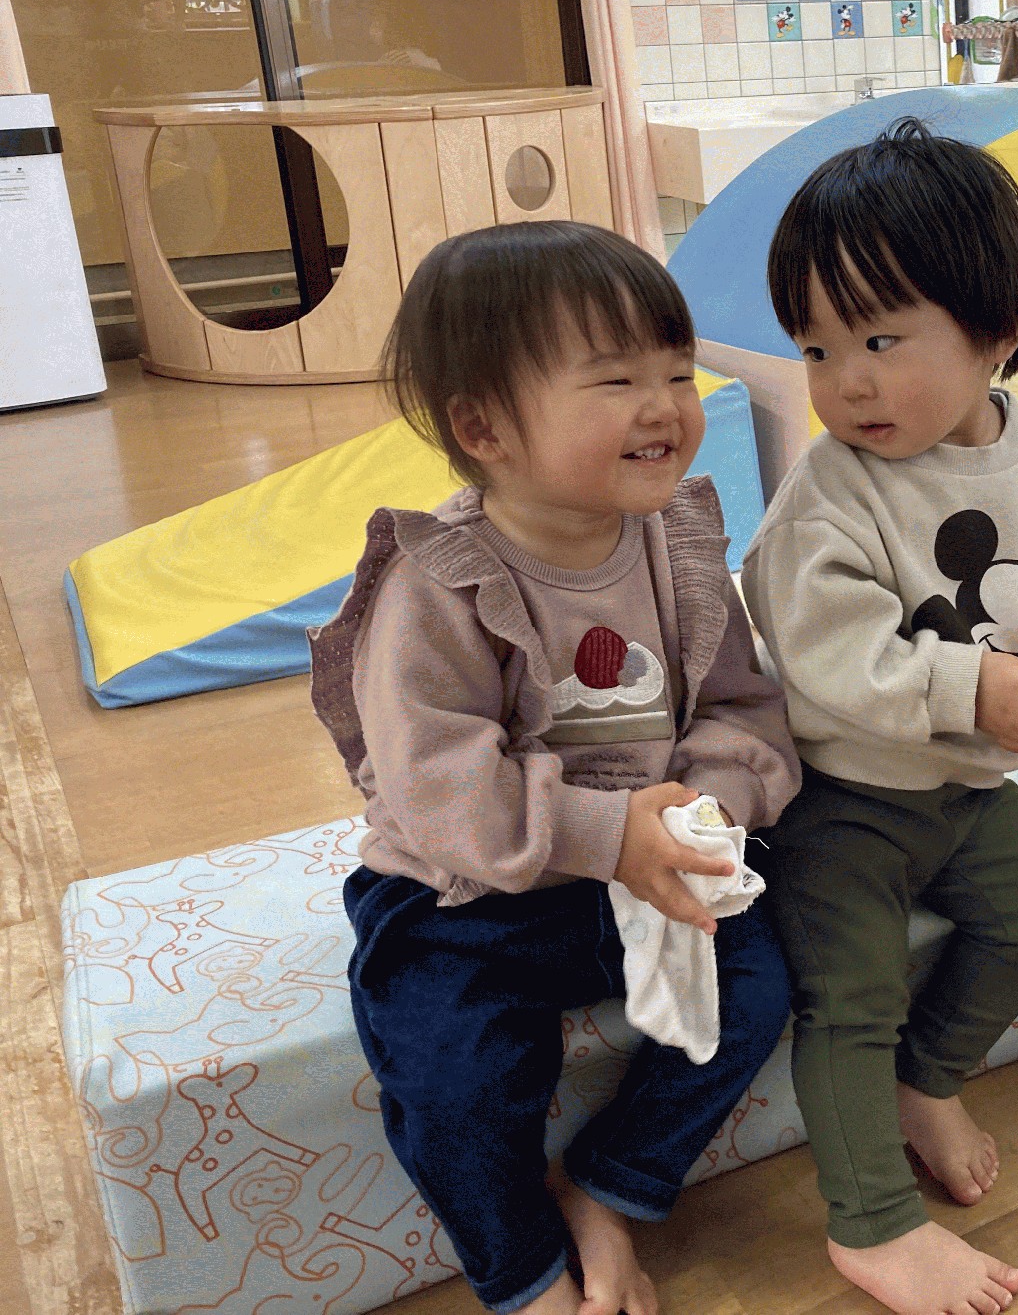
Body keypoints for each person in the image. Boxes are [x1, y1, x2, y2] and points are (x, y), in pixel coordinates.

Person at [309, 220, 799, 1315]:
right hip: (467, 893)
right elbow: (437, 787)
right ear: (483, 426)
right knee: (453, 1075)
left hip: (645, 870)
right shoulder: (438, 583)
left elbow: (739, 705)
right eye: (617, 379)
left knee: (758, 987)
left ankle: (610, 1187)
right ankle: (523, 1269)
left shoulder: (677, 545)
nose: (665, 406)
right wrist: (604, 834)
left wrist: (709, 805)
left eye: (677, 372)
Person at [739, 120, 1018, 1315]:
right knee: (848, 997)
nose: (845, 381)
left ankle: (930, 1079)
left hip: (963, 790)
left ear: (997, 331)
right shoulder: (825, 493)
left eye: (877, 338)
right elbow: (826, 653)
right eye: (815, 348)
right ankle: (869, 1226)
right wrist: (968, 687)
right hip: (843, 803)